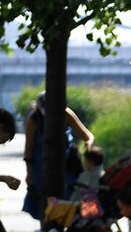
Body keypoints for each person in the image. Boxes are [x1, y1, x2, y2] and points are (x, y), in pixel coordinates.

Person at [21, 93, 94, 221]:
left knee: (75, 196)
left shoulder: (66, 114)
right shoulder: (33, 119)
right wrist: (29, 173)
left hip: (66, 166)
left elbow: (88, 136)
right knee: (45, 204)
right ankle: (48, 227)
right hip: (41, 168)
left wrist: (88, 146)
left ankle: (78, 223)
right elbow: (28, 150)